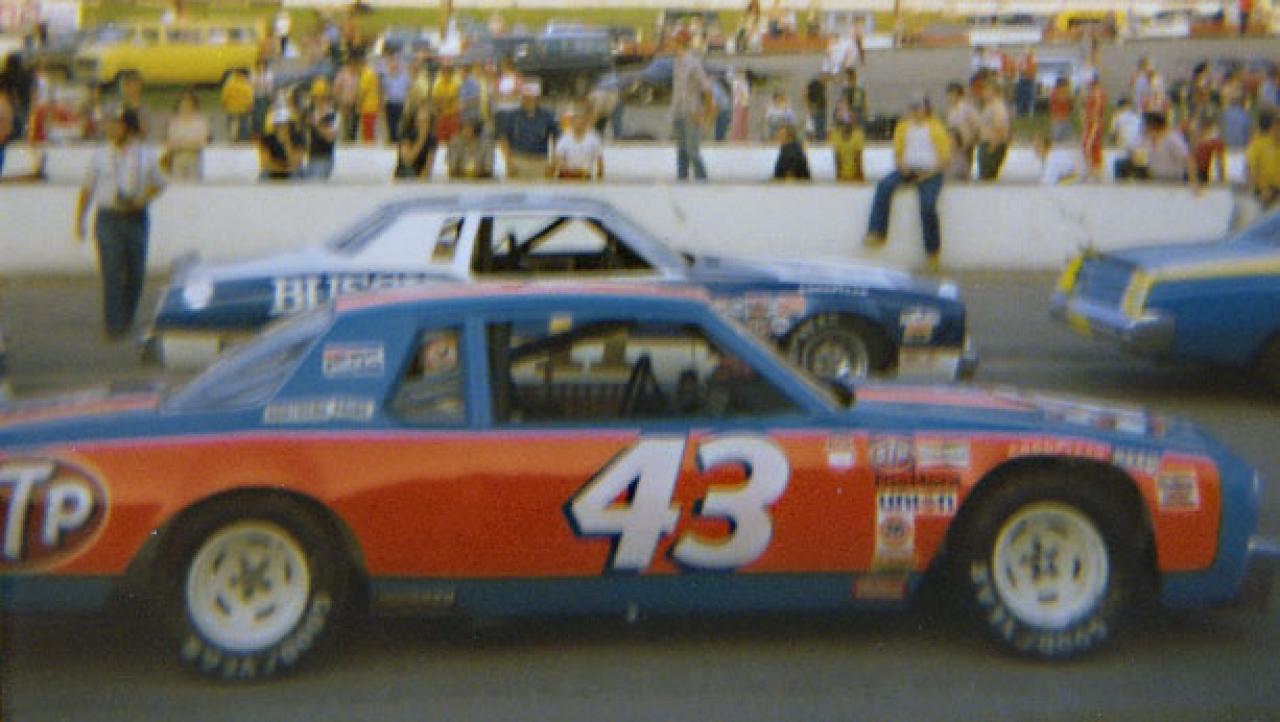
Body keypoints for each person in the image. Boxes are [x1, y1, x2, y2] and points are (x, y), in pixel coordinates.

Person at [73, 106, 167, 340]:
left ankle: (126, 316)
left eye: (115, 124)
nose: (110, 128)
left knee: (136, 271)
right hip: (109, 217)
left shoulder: (145, 155)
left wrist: (143, 199)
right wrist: (80, 219)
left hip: (135, 216)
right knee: (112, 270)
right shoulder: (99, 155)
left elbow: (159, 183)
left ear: (127, 127)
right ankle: (114, 324)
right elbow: (87, 188)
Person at [863, 92, 950, 273]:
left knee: (927, 205)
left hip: (930, 173)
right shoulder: (903, 127)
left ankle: (933, 253)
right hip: (907, 169)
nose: (915, 111)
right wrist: (903, 168)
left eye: (919, 107)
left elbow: (944, 158)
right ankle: (876, 231)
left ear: (926, 109)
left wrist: (928, 174)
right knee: (884, 186)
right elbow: (898, 152)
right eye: (913, 107)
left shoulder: (937, 128)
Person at [670, 31, 712, 181]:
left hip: (691, 111)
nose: (671, 45)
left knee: (692, 150)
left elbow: (707, 89)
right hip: (678, 110)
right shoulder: (676, 62)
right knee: (681, 150)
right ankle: (682, 179)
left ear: (680, 42)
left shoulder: (693, 63)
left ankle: (702, 179)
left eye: (674, 41)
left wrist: (706, 115)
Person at [497, 81, 558, 179]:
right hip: (518, 160)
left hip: (540, 162)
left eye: (532, 98)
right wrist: (508, 162)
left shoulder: (547, 116)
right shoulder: (512, 116)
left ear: (538, 99)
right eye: (526, 98)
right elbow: (503, 139)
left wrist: (553, 162)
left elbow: (556, 139)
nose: (529, 101)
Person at [165, 90, 208, 181]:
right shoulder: (174, 122)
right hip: (177, 160)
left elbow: (202, 143)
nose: (185, 106)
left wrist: (182, 144)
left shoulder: (200, 122)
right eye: (183, 103)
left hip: (194, 160)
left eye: (189, 103)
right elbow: (170, 143)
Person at [551, 108, 604, 180]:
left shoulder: (594, 139)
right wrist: (562, 166)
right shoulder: (564, 138)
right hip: (567, 176)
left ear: (585, 121)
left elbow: (599, 161)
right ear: (572, 122)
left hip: (585, 176)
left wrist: (599, 178)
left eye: (581, 119)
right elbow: (558, 158)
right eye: (576, 119)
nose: (578, 122)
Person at [1139, 111, 1188, 182]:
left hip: (1173, 180)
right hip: (1153, 178)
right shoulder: (1147, 139)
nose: (1145, 127)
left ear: (1154, 125)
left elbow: (1187, 158)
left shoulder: (1173, 138)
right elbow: (1141, 158)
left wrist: (1193, 182)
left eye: (1147, 124)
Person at [944, 81, 979, 180]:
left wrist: (971, 139)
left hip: (966, 143)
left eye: (953, 95)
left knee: (965, 167)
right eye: (949, 95)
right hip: (954, 144)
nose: (950, 97)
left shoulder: (967, 108)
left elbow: (976, 124)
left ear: (959, 95)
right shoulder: (950, 110)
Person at [304, 78, 339, 179]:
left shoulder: (333, 115)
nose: (318, 101)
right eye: (316, 97)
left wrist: (316, 124)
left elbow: (330, 137)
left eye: (321, 97)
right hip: (311, 158)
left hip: (324, 159)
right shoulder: (310, 112)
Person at [976, 80, 1010, 181]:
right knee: (984, 175)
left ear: (995, 92)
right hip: (985, 143)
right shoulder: (987, 106)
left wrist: (993, 146)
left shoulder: (998, 107)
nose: (984, 93)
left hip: (992, 144)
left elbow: (1001, 127)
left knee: (987, 176)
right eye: (984, 90)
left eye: (988, 90)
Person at [1246, 112, 1280, 209]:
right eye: (1277, 125)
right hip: (1264, 192)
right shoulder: (1258, 144)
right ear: (1272, 127)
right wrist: (1262, 189)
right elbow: (1251, 169)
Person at [395, 103, 438, 179]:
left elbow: (428, 166)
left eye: (426, 121)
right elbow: (407, 161)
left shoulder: (432, 139)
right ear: (415, 122)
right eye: (421, 121)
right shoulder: (407, 136)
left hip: (420, 175)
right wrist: (421, 139)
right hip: (404, 174)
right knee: (409, 171)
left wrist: (422, 180)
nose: (423, 124)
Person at [259, 107, 302, 180]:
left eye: (285, 124)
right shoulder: (267, 139)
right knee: (264, 174)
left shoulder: (296, 138)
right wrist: (285, 166)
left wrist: (286, 143)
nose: (283, 127)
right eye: (280, 124)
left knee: (296, 174)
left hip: (290, 173)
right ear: (275, 125)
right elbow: (266, 164)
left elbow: (296, 163)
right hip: (273, 173)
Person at [1187, 113, 1225, 189]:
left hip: (1203, 173)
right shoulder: (1213, 141)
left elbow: (1220, 162)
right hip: (1201, 173)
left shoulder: (1211, 141)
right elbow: (1220, 163)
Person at [1080, 75, 1106, 180]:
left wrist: (1094, 121)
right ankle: (1092, 170)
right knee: (1088, 146)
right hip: (1089, 123)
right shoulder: (1092, 94)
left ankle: (1095, 171)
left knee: (1090, 146)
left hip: (1094, 124)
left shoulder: (1097, 94)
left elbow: (1097, 109)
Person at [380, 54, 410, 143]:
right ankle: (392, 142)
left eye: (395, 64)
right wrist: (382, 105)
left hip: (401, 104)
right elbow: (383, 92)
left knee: (400, 126)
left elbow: (409, 91)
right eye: (391, 64)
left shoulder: (404, 77)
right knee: (391, 125)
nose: (393, 65)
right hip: (390, 104)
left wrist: (408, 104)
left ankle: (400, 142)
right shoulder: (386, 78)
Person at [830, 108, 864, 181]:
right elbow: (838, 159)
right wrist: (839, 176)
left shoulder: (858, 134)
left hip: (855, 176)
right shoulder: (835, 135)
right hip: (842, 176)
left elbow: (858, 159)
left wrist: (859, 176)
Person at [220, 69, 253, 141]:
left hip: (231, 108)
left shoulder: (229, 84)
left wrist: (223, 104)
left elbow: (224, 95)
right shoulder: (246, 84)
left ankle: (232, 137)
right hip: (243, 108)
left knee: (231, 123)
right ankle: (243, 138)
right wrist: (250, 105)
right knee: (244, 124)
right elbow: (250, 96)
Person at [1047, 77, 1073, 142]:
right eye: (1065, 85)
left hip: (1065, 118)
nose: (1066, 87)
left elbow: (1069, 104)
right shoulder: (1055, 92)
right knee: (1057, 137)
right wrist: (1067, 96)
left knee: (1067, 135)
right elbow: (1062, 99)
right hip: (1057, 118)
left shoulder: (1065, 92)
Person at [729, 68, 751, 141]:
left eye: (743, 73)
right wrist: (740, 101)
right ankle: (735, 138)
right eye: (740, 73)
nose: (742, 74)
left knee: (744, 122)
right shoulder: (736, 82)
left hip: (745, 104)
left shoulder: (745, 82)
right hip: (739, 104)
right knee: (737, 121)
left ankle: (743, 138)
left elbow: (747, 93)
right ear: (737, 73)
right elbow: (737, 93)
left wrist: (747, 100)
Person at [804, 73, 827, 141]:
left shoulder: (821, 86)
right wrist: (809, 106)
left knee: (820, 127)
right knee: (813, 128)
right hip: (815, 109)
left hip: (820, 109)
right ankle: (815, 140)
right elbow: (805, 94)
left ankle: (819, 140)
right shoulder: (814, 85)